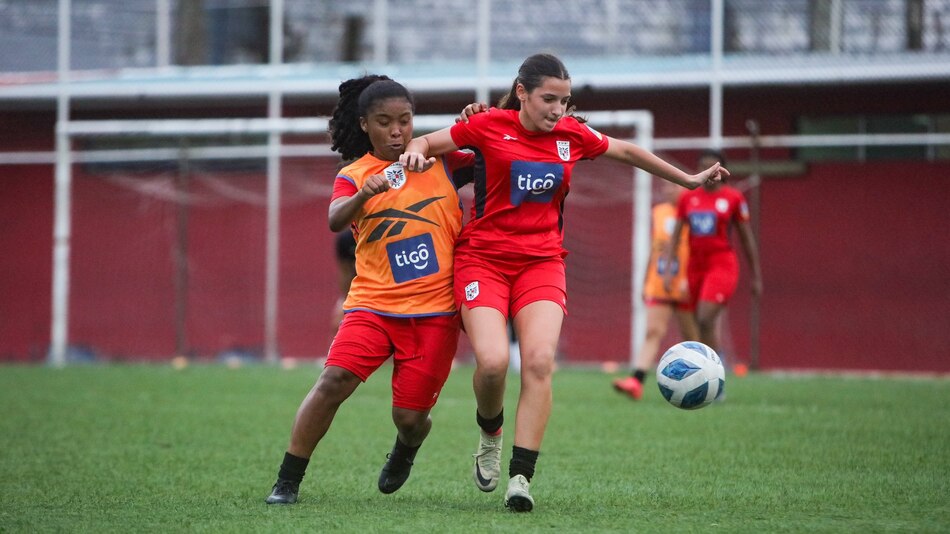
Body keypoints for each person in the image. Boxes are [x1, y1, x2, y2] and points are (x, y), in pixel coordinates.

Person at [400, 53, 727, 512]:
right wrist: (415, 150)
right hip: (483, 262)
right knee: (493, 363)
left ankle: (520, 477)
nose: (558, 110)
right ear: (522, 94)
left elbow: (629, 151)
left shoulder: (572, 135)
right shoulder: (487, 126)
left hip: (542, 264)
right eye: (549, 99)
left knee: (537, 362)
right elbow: (424, 141)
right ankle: (490, 434)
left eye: (565, 101)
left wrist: (689, 180)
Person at [264, 74, 474, 504]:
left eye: (405, 120)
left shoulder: (443, 162)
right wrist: (364, 194)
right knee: (332, 381)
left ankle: (407, 446)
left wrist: (477, 119)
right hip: (373, 307)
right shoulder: (353, 175)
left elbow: (496, 147)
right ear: (364, 125)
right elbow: (336, 219)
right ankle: (287, 481)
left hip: (435, 314)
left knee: (410, 418)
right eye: (384, 122)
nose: (397, 131)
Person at [663, 149, 762, 371]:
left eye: (712, 166)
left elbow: (747, 239)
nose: (707, 170)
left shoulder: (733, 198)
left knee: (705, 316)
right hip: (695, 265)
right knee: (699, 323)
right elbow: (676, 236)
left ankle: (717, 370)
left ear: (721, 171)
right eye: (702, 166)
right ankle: (710, 370)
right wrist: (668, 270)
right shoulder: (688, 198)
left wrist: (756, 276)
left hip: (722, 264)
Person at [613, 178, 699, 399]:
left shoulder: (695, 211)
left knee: (693, 338)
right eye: (666, 186)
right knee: (653, 331)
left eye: (673, 186)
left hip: (686, 281)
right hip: (660, 282)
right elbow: (655, 248)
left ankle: (706, 382)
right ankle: (636, 380)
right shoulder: (659, 212)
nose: (668, 190)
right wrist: (645, 280)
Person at [330, 229, 357, 330]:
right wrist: (346, 303)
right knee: (338, 324)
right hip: (357, 291)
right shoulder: (346, 239)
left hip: (384, 290)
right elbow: (345, 274)